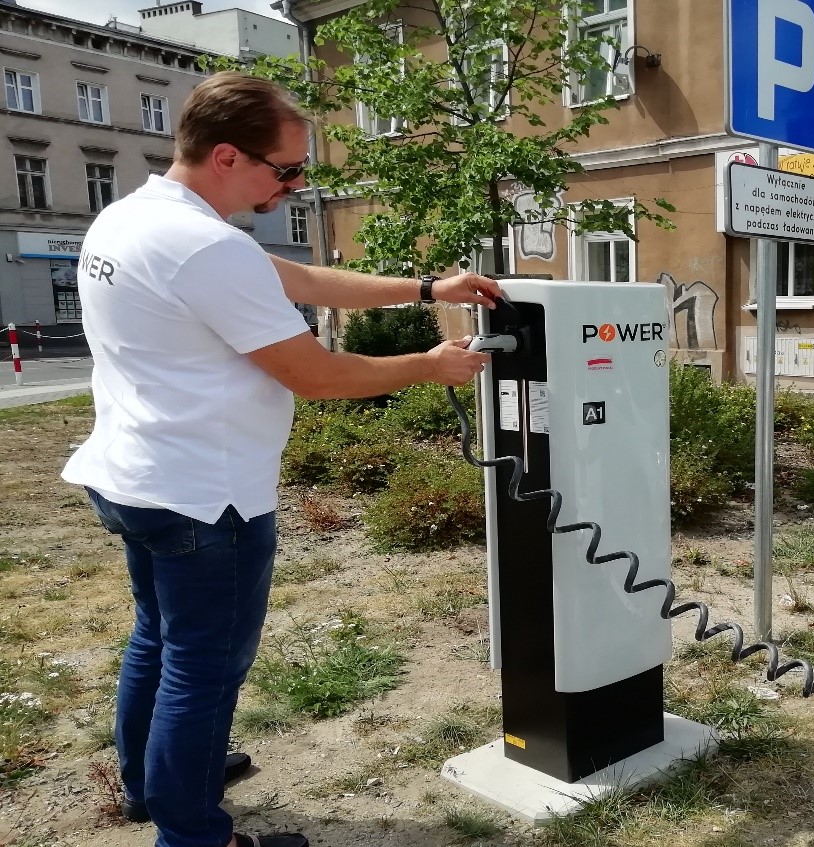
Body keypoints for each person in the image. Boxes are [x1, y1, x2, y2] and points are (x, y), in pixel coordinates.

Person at [60, 71, 502, 847]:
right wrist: (429, 365)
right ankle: (193, 832)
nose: (295, 185)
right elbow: (316, 374)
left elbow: (298, 279)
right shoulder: (202, 246)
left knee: (158, 639)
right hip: (207, 495)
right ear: (227, 155)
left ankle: (151, 785)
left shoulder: (130, 219)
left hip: (134, 475)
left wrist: (426, 285)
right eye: (287, 169)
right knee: (202, 669)